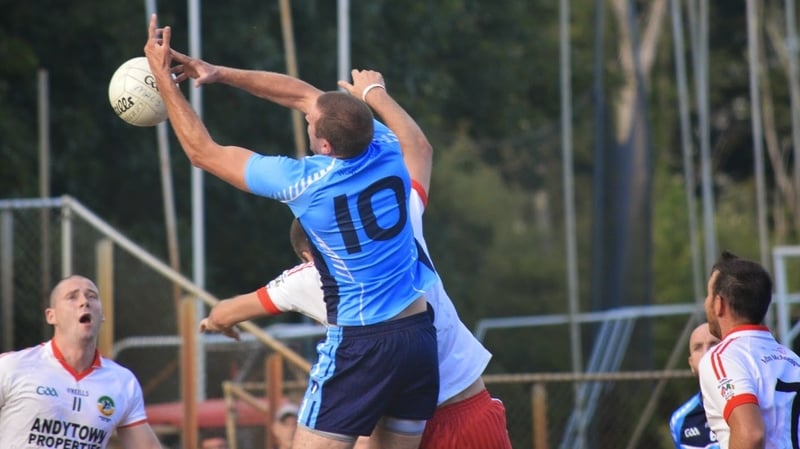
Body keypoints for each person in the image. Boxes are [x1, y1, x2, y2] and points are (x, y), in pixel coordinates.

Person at [144, 15, 439, 449]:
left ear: (323, 146)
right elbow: (304, 95)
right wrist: (216, 72)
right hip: (417, 336)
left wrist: (162, 79)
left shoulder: (305, 183)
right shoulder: (386, 146)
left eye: (310, 123)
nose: (306, 115)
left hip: (363, 342)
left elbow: (202, 152)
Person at [200, 69, 513, 449]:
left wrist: (217, 320)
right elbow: (413, 146)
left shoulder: (310, 277)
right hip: (463, 405)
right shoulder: (404, 214)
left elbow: (233, 309)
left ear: (307, 251)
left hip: (409, 408)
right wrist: (374, 93)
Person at [0, 275, 164, 449]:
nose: (84, 302)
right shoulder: (12, 366)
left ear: (102, 315)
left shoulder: (123, 382)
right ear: (51, 316)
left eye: (92, 296)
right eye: (72, 296)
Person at [698, 251, 800, 449]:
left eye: (709, 295)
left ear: (719, 304)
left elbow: (751, 434)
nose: (706, 303)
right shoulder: (792, 359)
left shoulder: (722, 358)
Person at [669, 322, 720, 449]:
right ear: (691, 364)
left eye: (713, 344)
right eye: (698, 347)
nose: (706, 352)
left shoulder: (750, 407)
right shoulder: (680, 420)